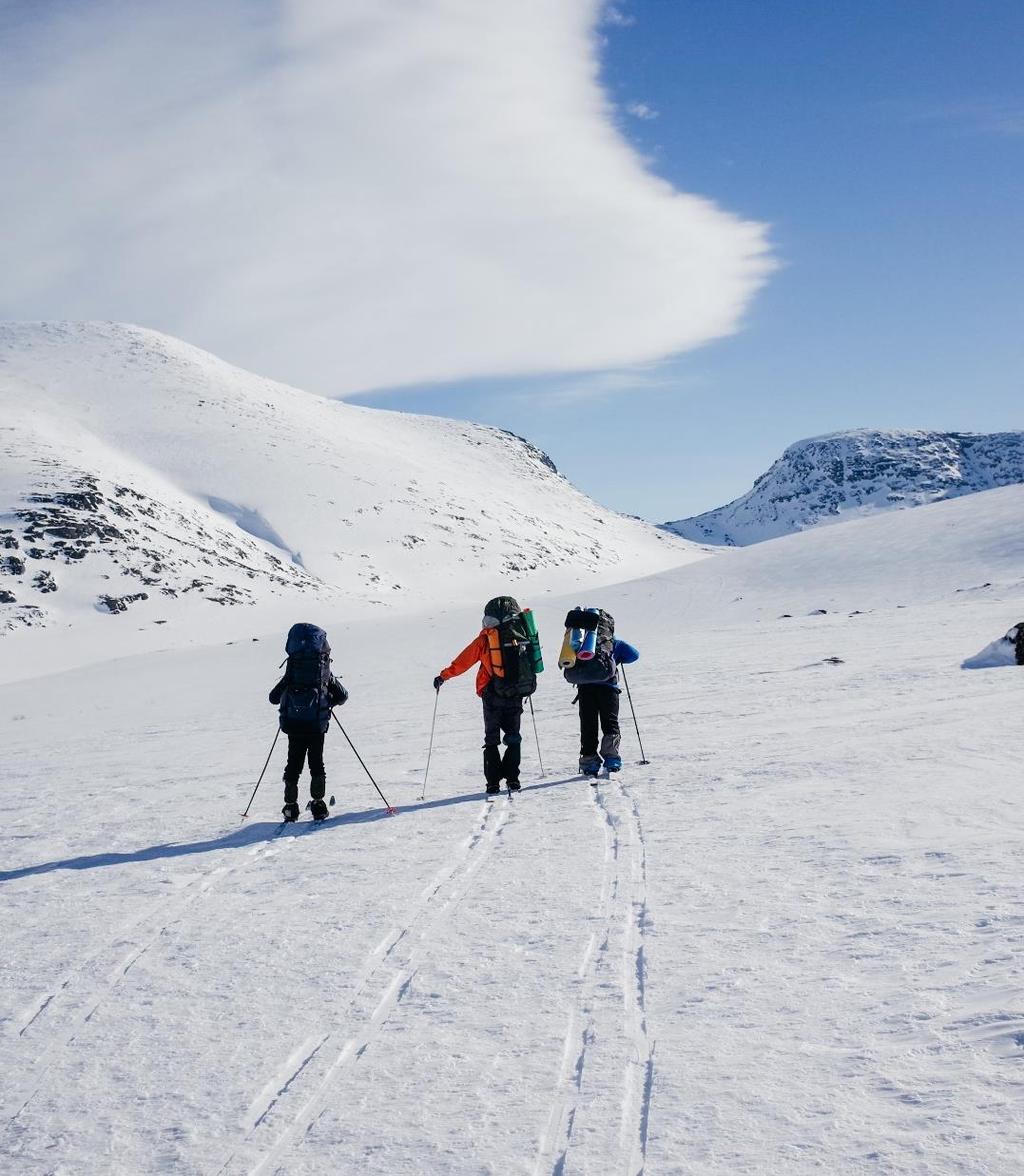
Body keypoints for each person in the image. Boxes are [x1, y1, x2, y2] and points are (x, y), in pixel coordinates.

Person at [433, 596, 537, 795]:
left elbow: (463, 661)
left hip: (492, 694)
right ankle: (513, 779)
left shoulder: (487, 638)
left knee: (491, 739)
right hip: (516, 693)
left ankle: (493, 783)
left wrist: (443, 676)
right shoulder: (522, 632)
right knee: (513, 736)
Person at [269, 623, 348, 821]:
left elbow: (273, 698)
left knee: (293, 764)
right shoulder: (323, 673)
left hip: (294, 725)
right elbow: (343, 696)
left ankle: (290, 806)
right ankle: (318, 806)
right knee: (316, 763)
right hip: (316, 725)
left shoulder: (292, 673)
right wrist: (327, 702)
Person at [564, 608, 638, 777]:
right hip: (608, 688)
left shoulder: (579, 642)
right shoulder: (611, 643)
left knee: (588, 725)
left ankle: (589, 761)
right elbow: (634, 655)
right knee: (610, 722)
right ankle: (612, 759)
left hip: (585, 689)